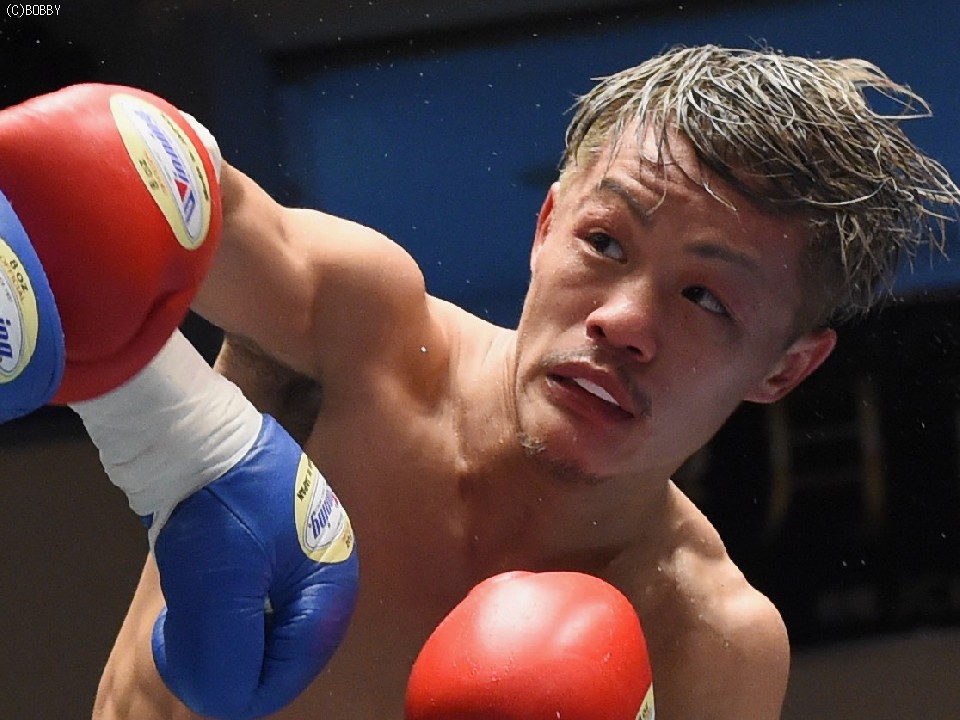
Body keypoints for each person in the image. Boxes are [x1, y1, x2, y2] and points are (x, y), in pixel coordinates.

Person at [91, 44, 960, 719]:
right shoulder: (355, 329)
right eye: (605, 242)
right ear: (546, 225)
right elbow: (128, 174)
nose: (623, 321)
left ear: (785, 367)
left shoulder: (704, 637)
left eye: (704, 297)